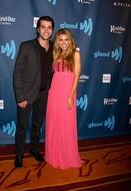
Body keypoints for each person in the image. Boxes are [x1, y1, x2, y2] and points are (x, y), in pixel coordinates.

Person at [13, 16, 54, 168]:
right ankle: (18, 154)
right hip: (26, 94)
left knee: (37, 124)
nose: (46, 30)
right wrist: (20, 96)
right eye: (43, 27)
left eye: (49, 27)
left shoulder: (54, 47)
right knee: (22, 126)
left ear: (52, 30)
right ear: (38, 29)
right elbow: (17, 72)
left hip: (44, 94)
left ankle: (34, 149)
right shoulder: (27, 46)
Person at [45, 29, 83, 169]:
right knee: (54, 123)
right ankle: (53, 154)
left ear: (70, 40)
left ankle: (66, 156)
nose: (63, 42)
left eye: (66, 39)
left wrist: (71, 96)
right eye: (60, 39)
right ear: (57, 41)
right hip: (54, 92)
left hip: (67, 93)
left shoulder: (75, 54)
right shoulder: (56, 53)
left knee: (65, 124)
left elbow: (77, 77)